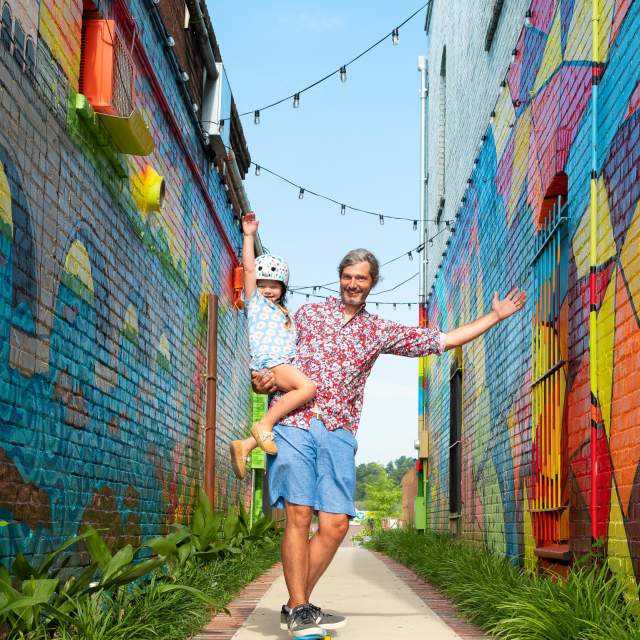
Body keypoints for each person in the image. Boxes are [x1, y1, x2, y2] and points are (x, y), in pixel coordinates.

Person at [252, 248, 526, 638]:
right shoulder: (308, 315)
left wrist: (494, 318)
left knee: (335, 524)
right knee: (299, 515)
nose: (352, 283)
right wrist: (260, 376)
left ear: (371, 283)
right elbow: (269, 349)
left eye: (361, 278)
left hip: (339, 431)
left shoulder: (377, 330)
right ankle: (299, 607)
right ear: (339, 277)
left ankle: (298, 604)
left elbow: (440, 341)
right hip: (294, 423)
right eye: (347, 276)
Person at [229, 213, 316, 480]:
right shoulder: (256, 303)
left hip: (280, 364)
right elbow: (250, 269)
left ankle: (245, 445)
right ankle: (263, 424)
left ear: (283, 287)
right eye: (263, 285)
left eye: (273, 286)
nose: (267, 290)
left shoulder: (285, 313)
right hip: (271, 362)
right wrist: (249, 236)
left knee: (288, 411)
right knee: (308, 388)